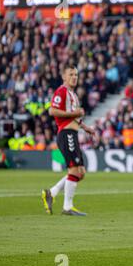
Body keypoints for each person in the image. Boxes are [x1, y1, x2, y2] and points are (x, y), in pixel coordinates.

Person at [41, 65, 95, 216]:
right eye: (71, 74)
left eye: (76, 75)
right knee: (74, 170)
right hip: (66, 134)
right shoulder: (62, 91)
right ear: (64, 77)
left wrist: (85, 127)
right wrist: (73, 112)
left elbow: (75, 117)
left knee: (81, 172)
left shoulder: (73, 95)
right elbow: (52, 110)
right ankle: (67, 207)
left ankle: (51, 192)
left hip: (73, 133)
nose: (74, 77)